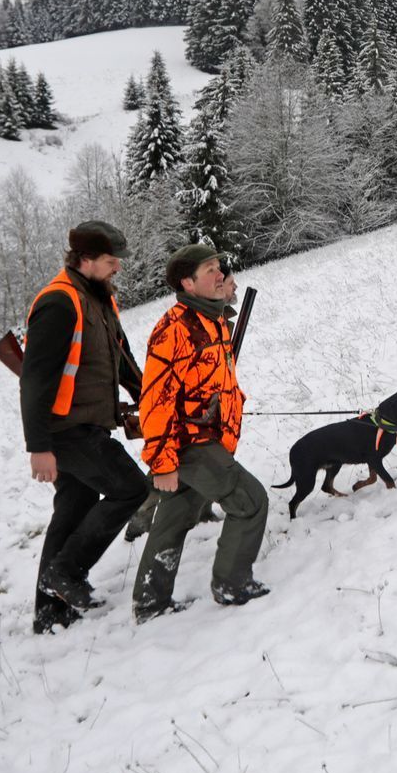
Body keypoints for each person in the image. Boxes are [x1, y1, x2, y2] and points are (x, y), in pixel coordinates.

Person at [21, 220, 150, 633]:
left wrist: (149, 395)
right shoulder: (59, 303)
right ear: (85, 259)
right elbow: (35, 378)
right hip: (67, 429)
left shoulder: (100, 299)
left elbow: (123, 359)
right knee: (130, 487)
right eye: (112, 261)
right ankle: (66, 573)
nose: (118, 268)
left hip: (90, 423)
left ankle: (49, 612)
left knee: (73, 509)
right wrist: (38, 446)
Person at [131, 243, 269, 621]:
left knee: (173, 521)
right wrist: (162, 462)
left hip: (206, 441)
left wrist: (226, 291)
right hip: (191, 444)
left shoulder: (211, 320)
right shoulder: (174, 329)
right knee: (251, 502)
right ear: (187, 283)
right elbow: (155, 402)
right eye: (210, 270)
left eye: (218, 266)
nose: (220, 273)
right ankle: (231, 583)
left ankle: (150, 602)